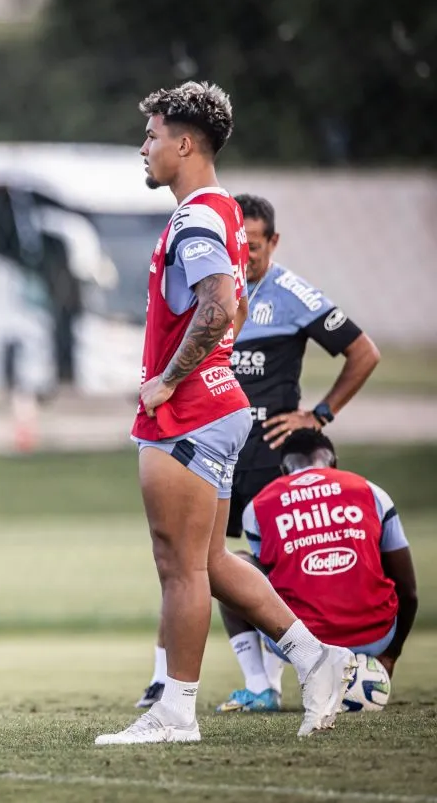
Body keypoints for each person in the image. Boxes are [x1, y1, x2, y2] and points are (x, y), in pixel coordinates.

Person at [95, 82, 354, 746]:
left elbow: (215, 308)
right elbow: (233, 310)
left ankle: (176, 713)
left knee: (179, 565)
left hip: (188, 413)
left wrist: (166, 380)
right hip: (216, 405)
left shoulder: (199, 217)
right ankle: (316, 658)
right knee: (205, 560)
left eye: (151, 136)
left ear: (184, 143)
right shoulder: (225, 213)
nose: (143, 148)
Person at [136, 194, 382, 712]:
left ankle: (287, 667)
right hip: (219, 438)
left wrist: (319, 414)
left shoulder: (289, 292)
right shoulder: (216, 284)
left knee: (211, 561)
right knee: (192, 560)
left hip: (266, 455)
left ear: (272, 242)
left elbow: (364, 352)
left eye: (252, 245)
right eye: (237, 245)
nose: (243, 256)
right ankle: (253, 676)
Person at [234, 429, 417, 685]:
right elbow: (409, 591)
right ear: (334, 463)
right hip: (376, 638)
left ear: (284, 471)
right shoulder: (372, 493)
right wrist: (391, 654)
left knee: (232, 565)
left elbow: (267, 586)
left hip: (301, 646)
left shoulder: (257, 507)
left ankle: (260, 687)